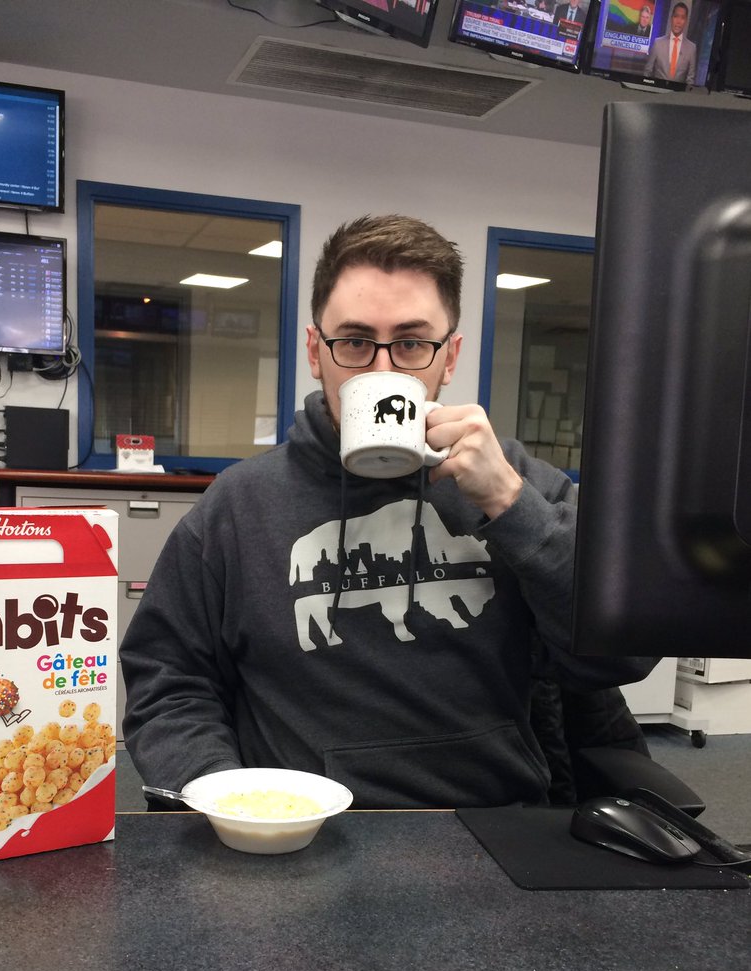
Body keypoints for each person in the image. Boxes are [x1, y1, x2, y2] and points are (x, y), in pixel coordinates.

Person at [120, 214, 656, 809]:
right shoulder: (237, 506)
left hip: (498, 825)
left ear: (448, 358)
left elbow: (623, 655)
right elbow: (168, 680)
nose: (383, 371)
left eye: (411, 343)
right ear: (315, 352)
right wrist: (227, 798)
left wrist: (509, 504)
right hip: (304, 830)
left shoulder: (520, 482)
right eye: (354, 342)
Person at [646, 2, 696, 84]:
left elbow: (690, 80)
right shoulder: (658, 43)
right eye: (676, 16)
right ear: (671, 18)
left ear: (686, 21)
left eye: (682, 18)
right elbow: (647, 72)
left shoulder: (691, 48)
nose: (678, 21)